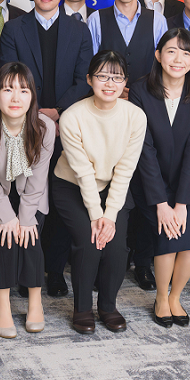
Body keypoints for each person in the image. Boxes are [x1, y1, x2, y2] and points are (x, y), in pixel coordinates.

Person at [1, 0, 93, 295]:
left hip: (67, 127)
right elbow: (9, 77)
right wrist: (37, 114)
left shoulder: (79, 31)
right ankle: (26, 270)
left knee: (60, 200)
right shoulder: (14, 29)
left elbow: (84, 79)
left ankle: (54, 270)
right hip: (23, 125)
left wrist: (56, 112)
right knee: (24, 196)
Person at [53, 51, 148, 333]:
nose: (109, 83)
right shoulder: (72, 116)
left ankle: (108, 306)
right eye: (102, 76)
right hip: (72, 185)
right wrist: (97, 216)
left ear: (125, 82)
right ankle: (82, 308)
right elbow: (82, 172)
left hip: (114, 186)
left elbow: (125, 170)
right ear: (89, 79)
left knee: (116, 246)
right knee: (89, 240)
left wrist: (110, 215)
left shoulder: (135, 116)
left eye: (117, 77)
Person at [129, 28, 190, 328]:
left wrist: (183, 202)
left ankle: (176, 297)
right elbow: (144, 149)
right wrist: (162, 203)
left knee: (189, 243)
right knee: (168, 237)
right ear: (158, 55)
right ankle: (161, 298)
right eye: (171, 51)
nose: (178, 59)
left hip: (187, 182)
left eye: (186, 53)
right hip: (151, 181)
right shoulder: (140, 90)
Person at [0, 62, 56, 338]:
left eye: (23, 90)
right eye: (8, 89)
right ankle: (2, 306)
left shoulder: (45, 127)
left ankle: (35, 302)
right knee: (4, 239)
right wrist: (8, 217)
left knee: (31, 237)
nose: (16, 97)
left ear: (32, 96)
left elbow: (38, 178)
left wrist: (25, 218)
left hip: (32, 195)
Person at [87, 0, 167, 84]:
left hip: (147, 94)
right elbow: (90, 65)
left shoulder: (158, 21)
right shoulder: (95, 19)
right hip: (107, 93)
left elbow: (163, 65)